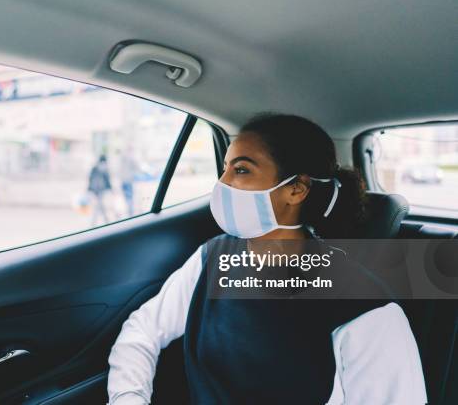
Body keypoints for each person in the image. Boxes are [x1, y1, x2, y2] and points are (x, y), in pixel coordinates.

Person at [107, 114, 427, 404]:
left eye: (242, 170)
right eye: (225, 169)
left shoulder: (367, 309)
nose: (222, 184)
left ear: (296, 189)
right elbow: (142, 331)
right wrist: (129, 398)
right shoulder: (212, 258)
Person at [88, 155, 112, 225]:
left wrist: (89, 189)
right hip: (101, 189)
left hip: (96, 189)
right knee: (99, 205)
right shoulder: (104, 168)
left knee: (99, 205)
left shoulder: (94, 168)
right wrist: (111, 189)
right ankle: (104, 220)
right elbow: (107, 180)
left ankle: (101, 220)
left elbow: (90, 179)